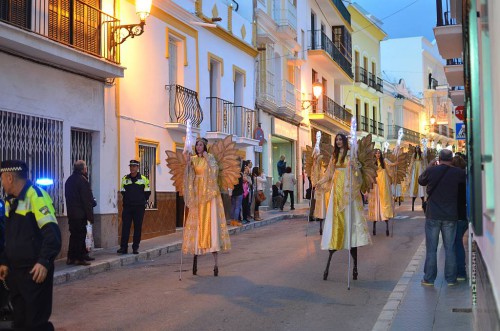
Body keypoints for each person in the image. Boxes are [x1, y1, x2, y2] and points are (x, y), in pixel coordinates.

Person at [0, 160, 62, 330]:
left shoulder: (37, 197)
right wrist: (4, 261)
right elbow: (8, 236)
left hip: (34, 272)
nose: (2, 183)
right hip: (15, 272)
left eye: (2, 178)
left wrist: (44, 262)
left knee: (36, 323)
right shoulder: (9, 201)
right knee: (20, 322)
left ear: (10, 177)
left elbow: (53, 234)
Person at [317, 134, 371, 281]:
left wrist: (355, 168)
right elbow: (329, 174)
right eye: (337, 140)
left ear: (345, 141)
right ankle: (336, 241)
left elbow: (358, 176)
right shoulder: (334, 157)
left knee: (350, 220)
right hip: (337, 193)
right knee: (337, 221)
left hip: (349, 192)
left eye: (341, 140)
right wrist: (319, 182)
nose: (338, 142)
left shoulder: (351, 155)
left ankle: (354, 266)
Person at [183, 137, 231, 276]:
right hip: (198, 195)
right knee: (197, 224)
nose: (198, 147)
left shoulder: (210, 158)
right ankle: (195, 259)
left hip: (209, 195)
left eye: (201, 145)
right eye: (197, 145)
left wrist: (208, 160)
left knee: (211, 223)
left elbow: (215, 173)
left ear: (205, 146)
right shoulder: (193, 159)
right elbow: (188, 176)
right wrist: (187, 164)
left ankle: (215, 263)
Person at [418, 149, 466, 286]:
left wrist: (430, 166)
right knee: (449, 248)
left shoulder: (432, 171)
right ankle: (451, 279)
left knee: (431, 248)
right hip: (450, 216)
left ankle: (429, 279)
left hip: (433, 215)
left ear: (439, 158)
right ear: (451, 159)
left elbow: (421, 180)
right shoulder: (458, 173)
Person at [65, 160, 95, 266]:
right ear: (83, 169)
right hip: (80, 213)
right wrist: (90, 215)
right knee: (80, 236)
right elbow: (85, 199)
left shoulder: (69, 180)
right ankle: (79, 258)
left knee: (74, 235)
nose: (86, 169)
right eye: (86, 168)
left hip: (71, 213)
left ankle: (71, 257)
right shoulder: (82, 180)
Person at [118, 160, 151, 255]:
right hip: (127, 207)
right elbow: (122, 191)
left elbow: (147, 192)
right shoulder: (125, 179)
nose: (132, 168)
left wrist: (141, 201)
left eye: (134, 166)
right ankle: (123, 247)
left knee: (137, 227)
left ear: (137, 168)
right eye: (131, 166)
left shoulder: (144, 179)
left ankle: (135, 247)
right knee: (125, 227)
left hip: (139, 208)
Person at [368, 149, 395, 236]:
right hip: (376, 184)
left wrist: (397, 163)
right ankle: (375, 219)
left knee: (384, 200)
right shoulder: (372, 163)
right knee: (376, 201)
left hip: (383, 183)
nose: (377, 154)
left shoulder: (385, 161)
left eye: (379, 153)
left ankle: (386, 217)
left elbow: (391, 166)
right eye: (376, 153)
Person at [452, 154, 468, 281]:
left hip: (456, 215)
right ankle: (459, 271)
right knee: (458, 242)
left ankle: (460, 272)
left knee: (456, 243)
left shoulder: (455, 180)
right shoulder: (466, 178)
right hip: (465, 215)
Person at [408, 146, 425, 211]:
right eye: (416, 148)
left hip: (420, 169)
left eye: (418, 148)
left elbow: (424, 162)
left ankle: (423, 204)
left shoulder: (422, 154)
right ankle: (412, 205)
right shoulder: (413, 155)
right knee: (414, 183)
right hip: (415, 170)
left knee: (420, 185)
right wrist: (410, 169)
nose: (417, 149)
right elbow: (411, 162)